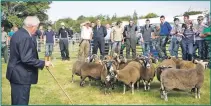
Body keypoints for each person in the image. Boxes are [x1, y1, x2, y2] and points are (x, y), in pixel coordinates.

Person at [6, 16, 52, 105]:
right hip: (21, 76)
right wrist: (43, 62)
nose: (37, 29)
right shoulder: (25, 37)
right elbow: (26, 58)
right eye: (37, 27)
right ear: (33, 26)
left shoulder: (18, 33)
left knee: (17, 101)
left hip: (16, 74)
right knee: (21, 102)